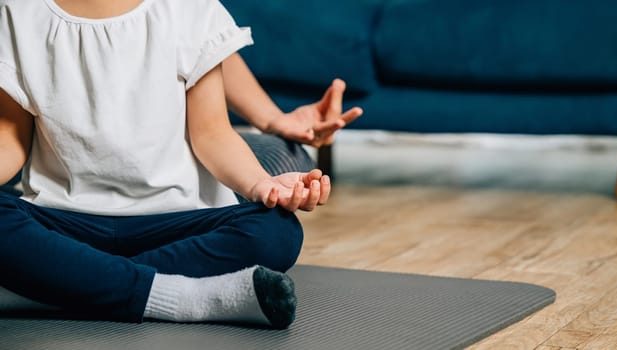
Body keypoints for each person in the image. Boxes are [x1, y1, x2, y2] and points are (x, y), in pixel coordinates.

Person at [0, 0, 359, 329]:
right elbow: (11, 140)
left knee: (277, 231)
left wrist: (260, 184)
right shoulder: (15, 12)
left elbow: (213, 134)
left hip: (175, 220)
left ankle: (56, 285)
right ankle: (173, 296)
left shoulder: (192, 9)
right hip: (66, 220)